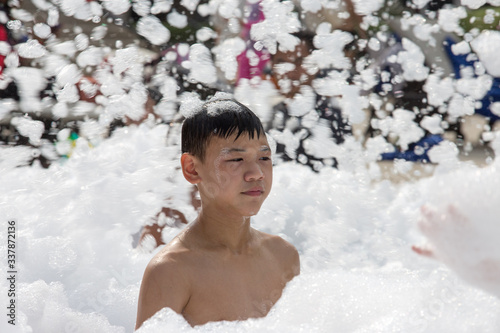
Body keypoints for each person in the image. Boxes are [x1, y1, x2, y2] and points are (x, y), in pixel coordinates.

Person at [135, 98, 300, 328]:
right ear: (192, 169)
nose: (256, 173)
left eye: (264, 157)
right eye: (235, 159)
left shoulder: (283, 257)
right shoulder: (171, 271)